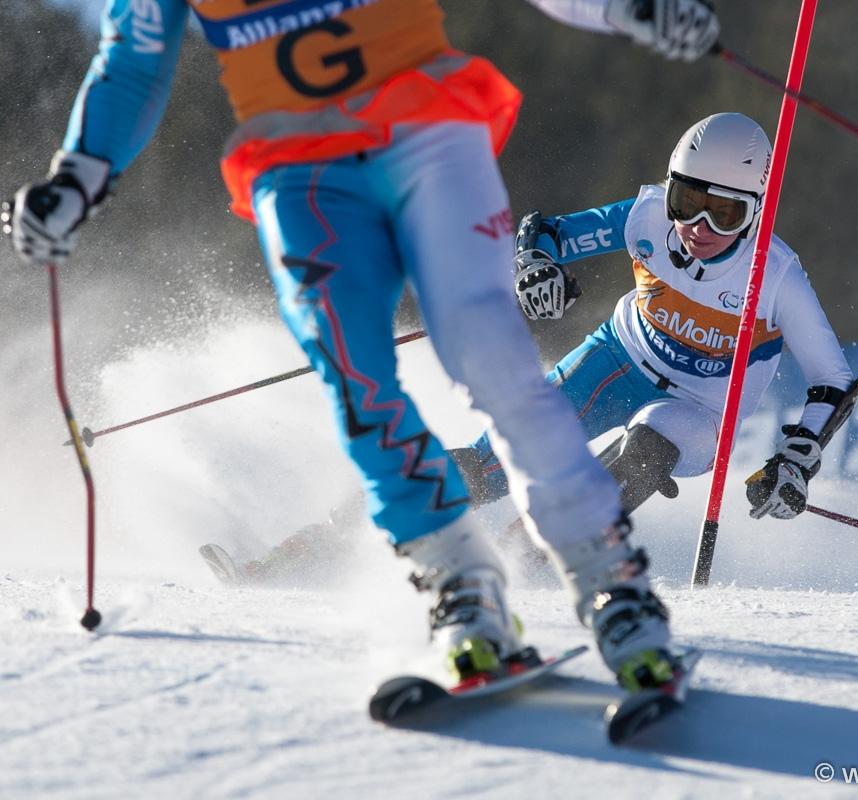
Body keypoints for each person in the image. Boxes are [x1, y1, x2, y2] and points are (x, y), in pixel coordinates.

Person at [3, 0, 721, 691]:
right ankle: (460, 587)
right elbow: (133, 62)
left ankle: (610, 587)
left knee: (493, 359)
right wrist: (76, 176)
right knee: (357, 386)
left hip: (430, 137)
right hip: (300, 171)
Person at [454, 112, 855, 526]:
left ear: (757, 210)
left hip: (700, 411)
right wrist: (536, 268)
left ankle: (530, 559)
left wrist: (797, 459)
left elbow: (833, 380)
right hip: (617, 358)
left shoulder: (777, 276)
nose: (700, 227)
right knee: (488, 464)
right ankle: (401, 539)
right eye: (687, 202)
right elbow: (547, 234)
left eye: (725, 213)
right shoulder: (648, 216)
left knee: (646, 451)